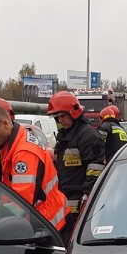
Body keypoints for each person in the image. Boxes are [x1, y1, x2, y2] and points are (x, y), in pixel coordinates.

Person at [0, 103, 70, 233]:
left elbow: (21, 203)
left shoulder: (24, 153)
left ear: (5, 124)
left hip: (48, 222)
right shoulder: (13, 142)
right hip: (42, 217)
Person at [48, 91, 106, 242]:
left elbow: (95, 168)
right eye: (57, 117)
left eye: (62, 116)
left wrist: (87, 196)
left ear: (73, 112)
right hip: (65, 199)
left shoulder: (88, 136)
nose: (60, 121)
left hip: (79, 200)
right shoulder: (65, 135)